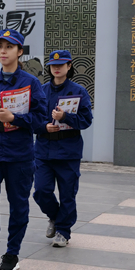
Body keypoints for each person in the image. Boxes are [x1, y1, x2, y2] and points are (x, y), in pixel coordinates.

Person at [0, 29, 47, 270]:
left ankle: (12, 253)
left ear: (19, 52)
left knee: (18, 205)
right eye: (0, 46)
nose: (3, 51)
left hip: (20, 154)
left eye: (9, 47)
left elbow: (40, 119)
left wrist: (15, 117)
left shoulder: (31, 83)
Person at [33, 50, 93, 247]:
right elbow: (32, 119)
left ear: (69, 67)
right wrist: (43, 126)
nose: (57, 68)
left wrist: (65, 117)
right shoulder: (41, 91)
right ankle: (55, 217)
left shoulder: (78, 91)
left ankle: (63, 232)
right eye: (53, 65)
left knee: (68, 193)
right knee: (41, 191)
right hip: (44, 149)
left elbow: (86, 121)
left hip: (68, 150)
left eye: (62, 64)